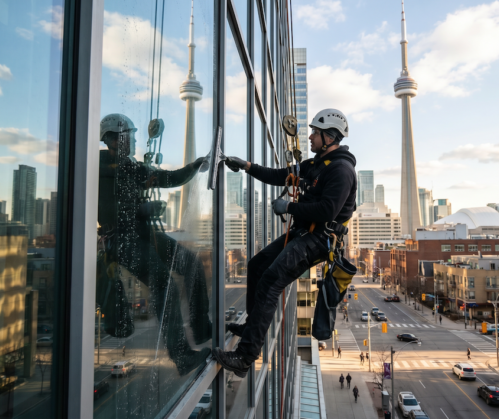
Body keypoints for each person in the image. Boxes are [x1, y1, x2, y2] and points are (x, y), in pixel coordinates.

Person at [213, 109, 357, 378]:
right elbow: (279, 175)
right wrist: (246, 166)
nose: (311, 137)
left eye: (315, 133)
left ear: (329, 137)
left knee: (271, 282)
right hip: (304, 233)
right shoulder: (315, 164)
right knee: (257, 266)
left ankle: (245, 357)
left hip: (318, 239)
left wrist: (289, 206)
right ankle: (251, 328)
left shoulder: (341, 170)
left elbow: (327, 210)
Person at [96, 114, 212, 376]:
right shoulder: (100, 169)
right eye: (129, 136)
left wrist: (194, 166)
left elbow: (167, 178)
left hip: (142, 233)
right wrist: (142, 210)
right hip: (122, 239)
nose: (134, 140)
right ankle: (181, 356)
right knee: (164, 284)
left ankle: (202, 328)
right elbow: (108, 211)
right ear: (113, 139)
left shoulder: (131, 167)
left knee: (191, 263)